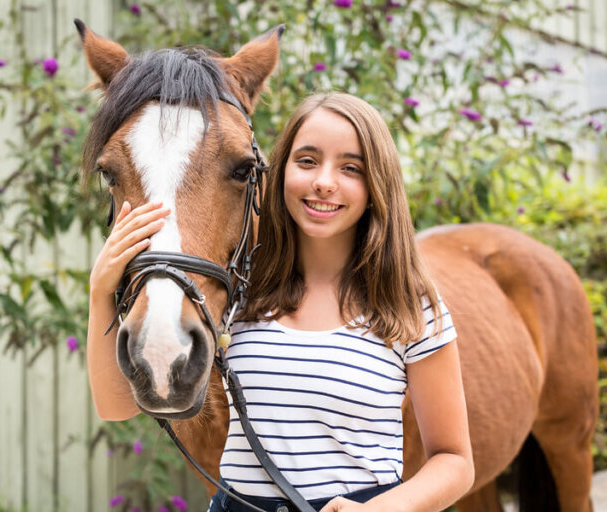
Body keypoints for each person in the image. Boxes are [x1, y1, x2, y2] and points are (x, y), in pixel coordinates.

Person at [87, 92, 474, 512]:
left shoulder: (407, 302)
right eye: (306, 161)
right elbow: (116, 406)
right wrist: (100, 293)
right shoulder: (242, 290)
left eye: (350, 168)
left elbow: (454, 461)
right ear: (278, 171)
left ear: (377, 184)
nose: (324, 181)